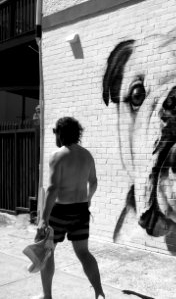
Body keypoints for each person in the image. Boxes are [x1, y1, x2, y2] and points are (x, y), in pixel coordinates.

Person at [34, 117, 105, 299]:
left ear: (61, 133)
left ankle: (47, 296)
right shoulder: (87, 155)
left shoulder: (57, 156)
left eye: (56, 132)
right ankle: (99, 292)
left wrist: (43, 217)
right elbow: (94, 182)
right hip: (81, 210)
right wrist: (88, 200)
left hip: (60, 211)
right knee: (83, 253)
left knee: (48, 253)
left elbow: (52, 188)